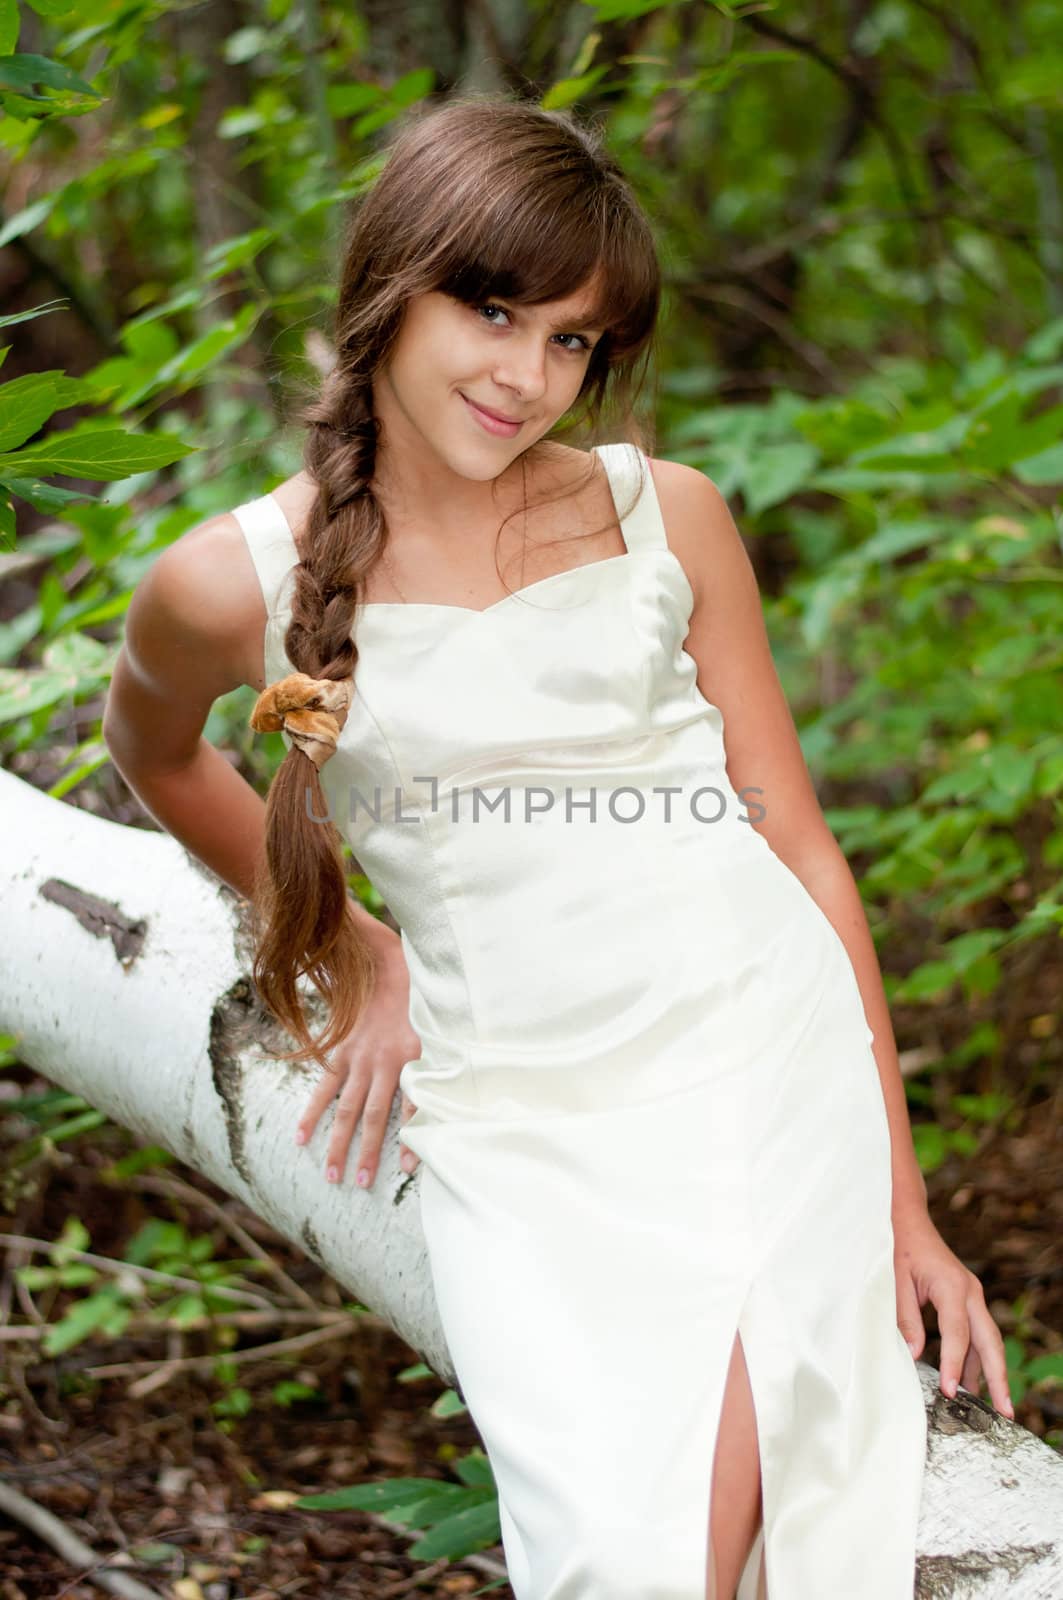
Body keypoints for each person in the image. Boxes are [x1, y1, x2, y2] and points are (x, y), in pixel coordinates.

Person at [102, 94, 1013, 1600]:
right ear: (395, 281)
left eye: (577, 340)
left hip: (758, 1053)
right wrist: (346, 943)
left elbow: (800, 845)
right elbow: (152, 752)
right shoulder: (227, 580)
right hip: (522, 1109)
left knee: (753, 1501)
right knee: (614, 1554)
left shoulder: (672, 516)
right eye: (497, 308)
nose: (531, 378)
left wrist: (904, 1208)